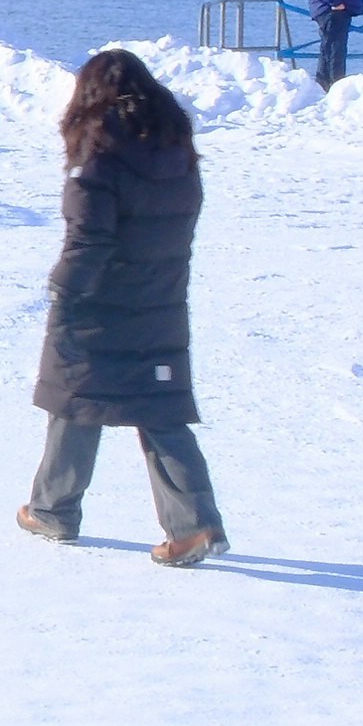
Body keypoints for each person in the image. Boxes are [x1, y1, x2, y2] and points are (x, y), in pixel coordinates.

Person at [18, 48, 230, 567]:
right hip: (160, 301)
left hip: (102, 303)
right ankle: (193, 524)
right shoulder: (178, 154)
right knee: (157, 412)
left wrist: (64, 294)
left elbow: (88, 239)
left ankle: (54, 509)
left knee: (73, 396)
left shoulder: (98, 156)